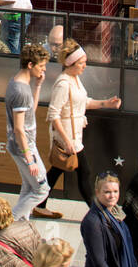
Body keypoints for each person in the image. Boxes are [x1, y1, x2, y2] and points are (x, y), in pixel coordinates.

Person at [37, 40, 121, 218]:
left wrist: (107, 103)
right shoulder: (63, 84)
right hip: (67, 137)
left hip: (74, 135)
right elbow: (53, 114)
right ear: (71, 64)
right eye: (81, 63)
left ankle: (39, 204)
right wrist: (66, 141)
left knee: (56, 171)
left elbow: (84, 103)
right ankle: (97, 212)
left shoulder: (75, 80)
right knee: (85, 171)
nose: (85, 66)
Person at [6, 44, 50, 221]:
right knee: (41, 190)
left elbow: (31, 111)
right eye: (41, 66)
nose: (44, 70)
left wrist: (38, 86)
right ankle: (9, 223)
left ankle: (19, 226)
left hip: (22, 146)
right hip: (24, 147)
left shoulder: (17, 83)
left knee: (28, 187)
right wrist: (29, 158)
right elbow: (19, 128)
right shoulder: (20, 91)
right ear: (30, 65)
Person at [80, 171, 138, 267]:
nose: (112, 195)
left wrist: (134, 266)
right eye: (107, 192)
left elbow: (127, 242)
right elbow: (99, 262)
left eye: (115, 191)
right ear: (97, 192)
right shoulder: (92, 222)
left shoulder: (117, 214)